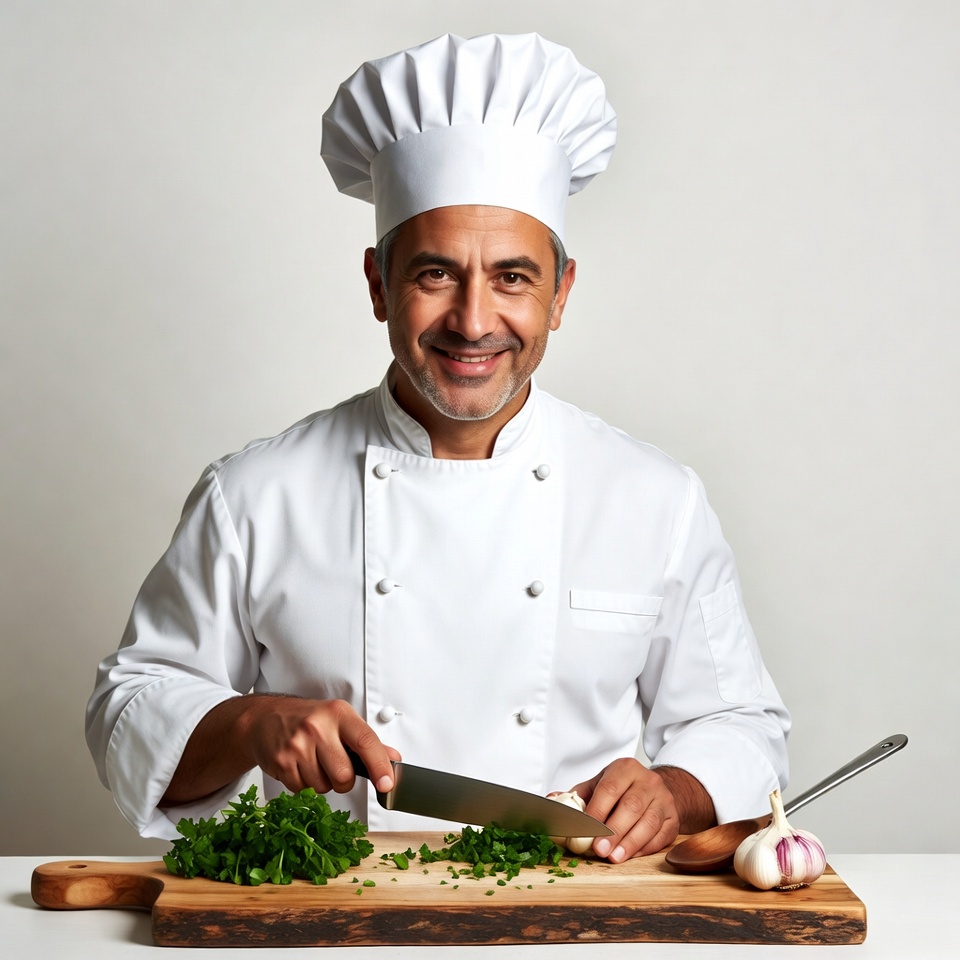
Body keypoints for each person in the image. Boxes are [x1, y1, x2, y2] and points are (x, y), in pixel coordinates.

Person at [86, 33, 790, 863]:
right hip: (337, 913)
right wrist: (248, 723)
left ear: (561, 294)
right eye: (434, 274)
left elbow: (741, 724)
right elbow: (130, 708)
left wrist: (671, 790)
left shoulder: (654, 498)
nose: (474, 320)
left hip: (578, 908)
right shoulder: (254, 495)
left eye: (513, 277)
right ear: (378, 284)